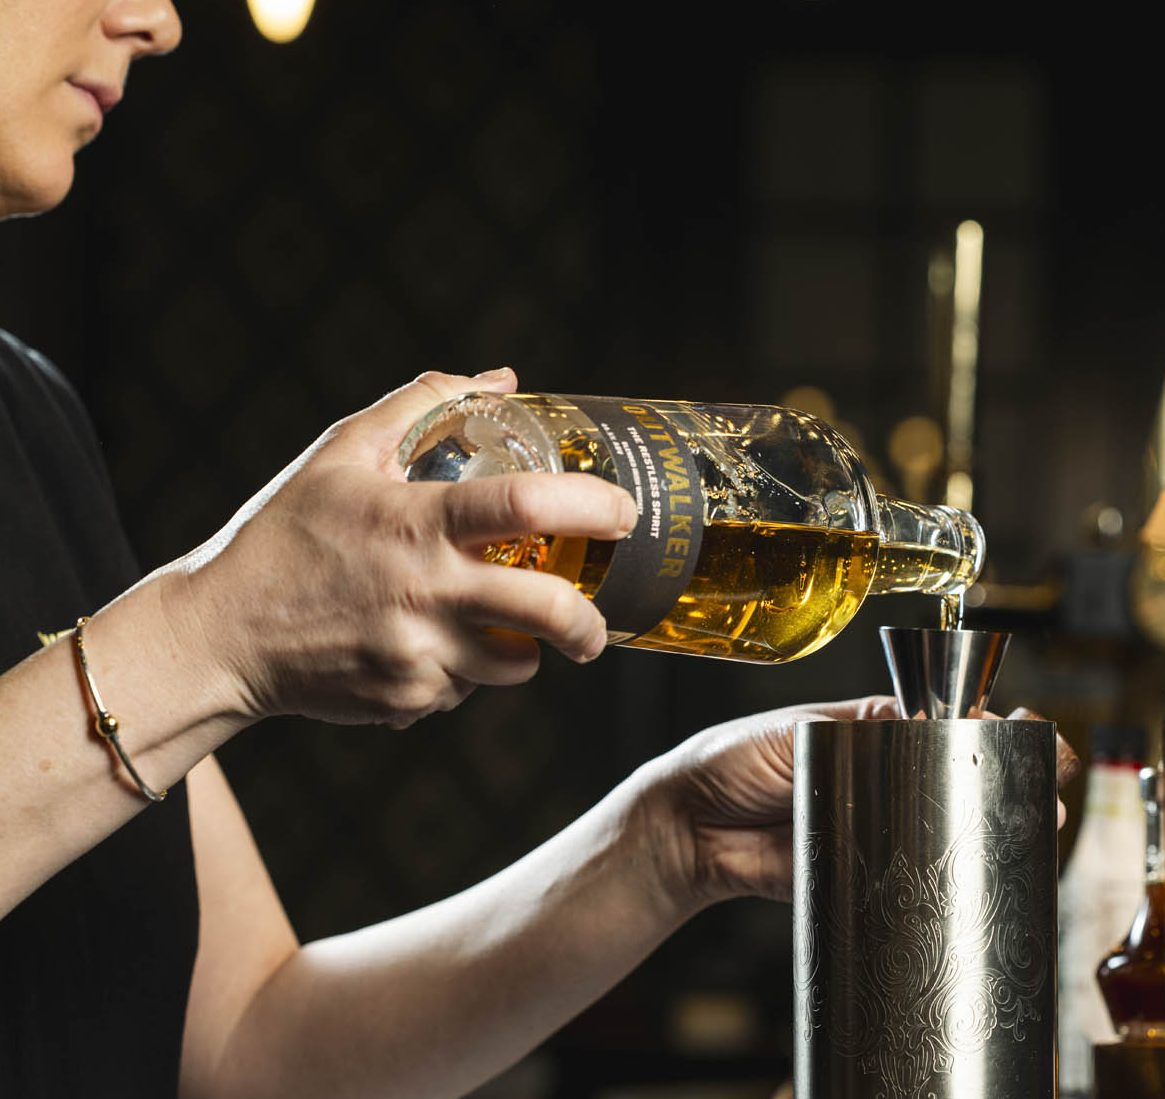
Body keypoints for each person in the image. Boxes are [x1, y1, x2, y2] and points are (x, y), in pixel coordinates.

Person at [0, 3, 1069, 1095]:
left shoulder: (27, 421)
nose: (158, 20)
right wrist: (214, 632)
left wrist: (666, 843)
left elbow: (253, 1048)